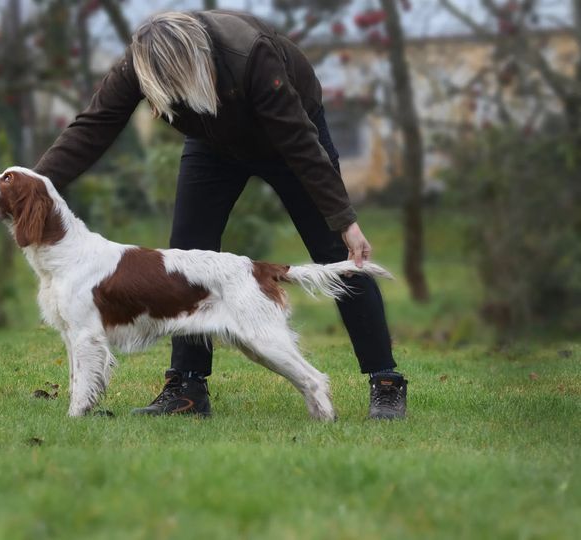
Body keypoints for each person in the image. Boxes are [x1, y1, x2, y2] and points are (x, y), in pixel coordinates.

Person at [33, 10, 408, 419]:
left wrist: (346, 222)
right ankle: (187, 389)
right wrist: (28, 187)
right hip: (212, 143)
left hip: (285, 138)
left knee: (333, 248)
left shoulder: (252, 57)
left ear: (196, 63)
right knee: (186, 256)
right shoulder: (139, 62)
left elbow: (302, 144)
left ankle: (385, 381)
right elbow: (92, 128)